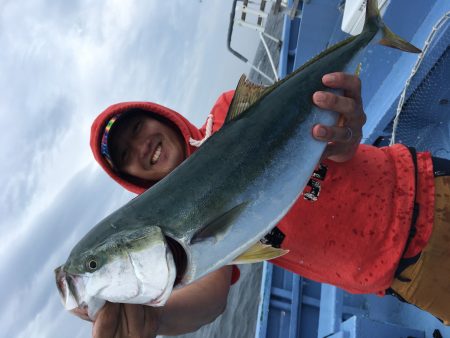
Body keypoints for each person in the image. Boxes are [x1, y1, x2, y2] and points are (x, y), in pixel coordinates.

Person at [87, 72, 449, 338]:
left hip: (426, 182)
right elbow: (211, 300)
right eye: (125, 155)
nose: (141, 147)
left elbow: (336, 130)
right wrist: (159, 318)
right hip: (411, 272)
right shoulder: (189, 236)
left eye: (136, 130)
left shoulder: (232, 112)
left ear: (158, 116)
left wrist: (347, 127)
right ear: (132, 178)